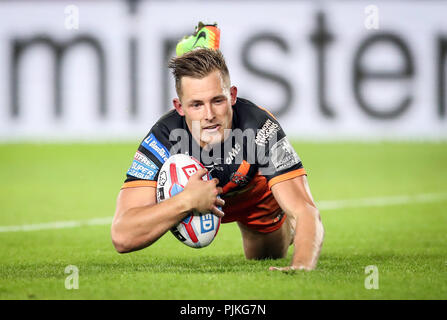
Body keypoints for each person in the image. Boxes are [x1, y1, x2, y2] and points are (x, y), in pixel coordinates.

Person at [111, 23, 324, 271]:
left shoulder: (259, 126)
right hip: (194, 196)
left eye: (218, 100)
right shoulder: (163, 138)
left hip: (252, 196)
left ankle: (278, 225)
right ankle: (197, 48)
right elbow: (122, 236)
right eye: (196, 105)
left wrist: (301, 265)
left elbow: (306, 211)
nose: (209, 114)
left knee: (268, 256)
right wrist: (186, 201)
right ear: (179, 108)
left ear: (232, 95)